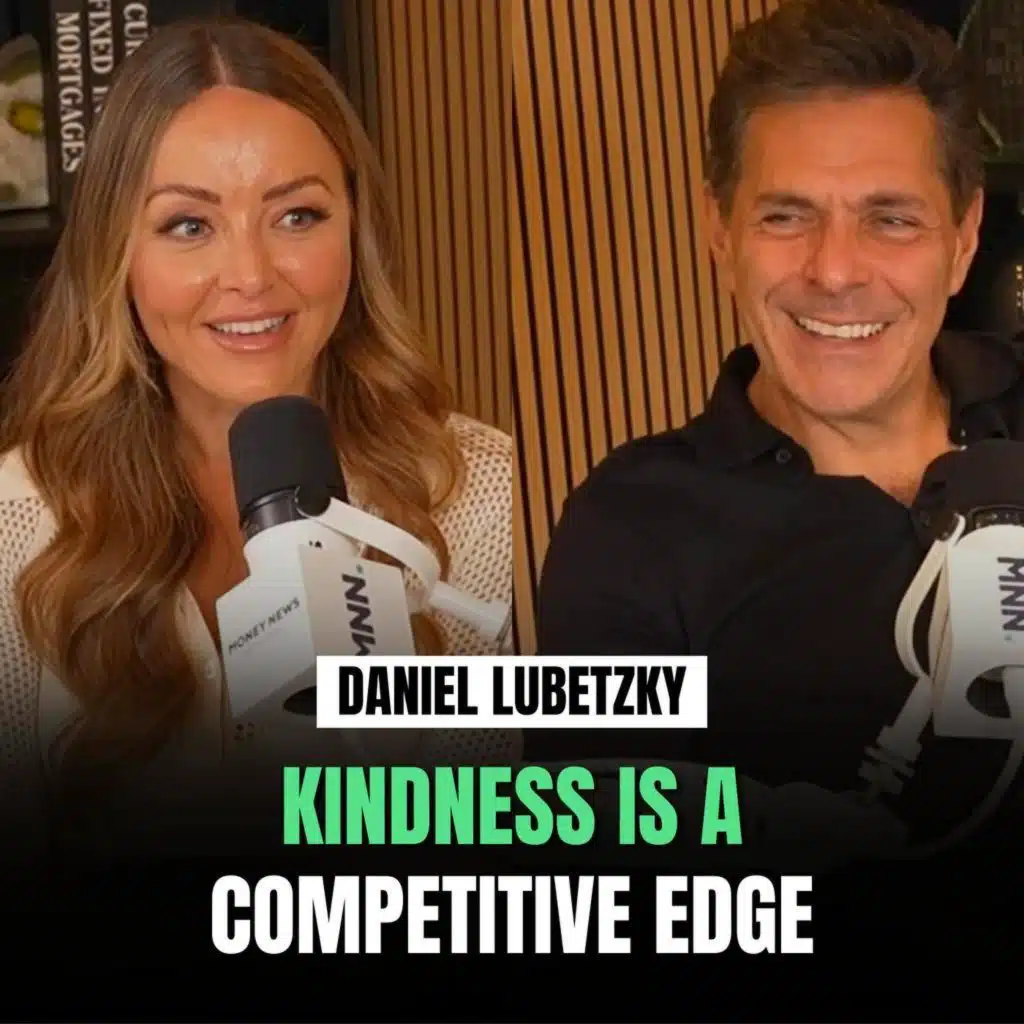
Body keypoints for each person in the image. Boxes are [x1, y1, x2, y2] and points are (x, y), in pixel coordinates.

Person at [0, 17, 516, 852]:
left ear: (355, 228)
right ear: (116, 253)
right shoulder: (15, 525)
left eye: (297, 216)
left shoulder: (485, 491)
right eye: (188, 226)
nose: (249, 276)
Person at [535, 0, 1021, 845]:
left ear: (964, 238)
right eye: (786, 216)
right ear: (720, 232)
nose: (835, 271)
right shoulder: (628, 530)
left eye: (891, 219)